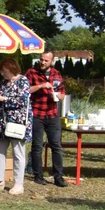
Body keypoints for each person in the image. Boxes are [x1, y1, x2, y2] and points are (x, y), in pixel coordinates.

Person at [0, 57, 32, 196]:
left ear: (11, 68)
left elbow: (22, 101)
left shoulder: (23, 81)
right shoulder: (4, 83)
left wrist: (4, 99)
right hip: (2, 122)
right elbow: (1, 100)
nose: (2, 74)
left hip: (17, 123)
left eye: (4, 71)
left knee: (18, 152)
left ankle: (19, 184)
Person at [25, 50, 67, 187]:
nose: (42, 62)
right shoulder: (32, 73)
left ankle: (58, 176)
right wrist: (41, 86)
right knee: (37, 146)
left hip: (53, 114)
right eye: (41, 59)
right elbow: (25, 90)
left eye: (46, 60)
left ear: (52, 61)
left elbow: (62, 90)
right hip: (37, 113)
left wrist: (61, 96)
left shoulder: (56, 74)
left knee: (56, 146)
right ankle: (38, 175)